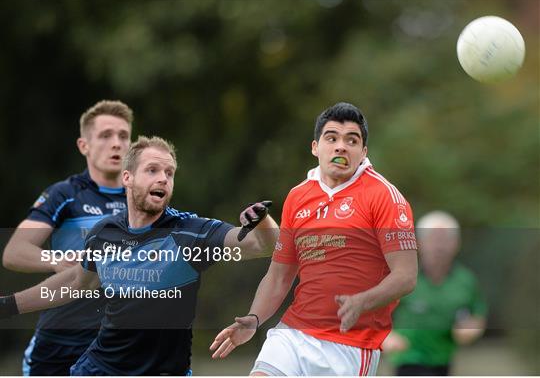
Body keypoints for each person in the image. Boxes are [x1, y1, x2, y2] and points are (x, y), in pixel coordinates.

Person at [0, 135, 279, 376]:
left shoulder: (191, 234)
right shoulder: (103, 233)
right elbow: (76, 283)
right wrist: (8, 305)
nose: (163, 178)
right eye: (152, 170)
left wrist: (262, 221)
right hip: (98, 369)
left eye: (169, 173)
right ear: (127, 178)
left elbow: (261, 245)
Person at [210, 102, 418, 376]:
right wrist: (253, 319)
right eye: (332, 138)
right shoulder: (298, 197)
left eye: (351, 140)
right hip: (293, 334)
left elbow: (406, 276)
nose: (341, 147)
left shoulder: (384, 196)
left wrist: (362, 301)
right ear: (315, 147)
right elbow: (279, 276)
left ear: (363, 152)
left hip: (350, 346)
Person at [2, 100, 133, 375]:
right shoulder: (65, 194)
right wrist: (56, 261)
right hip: (59, 342)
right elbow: (14, 251)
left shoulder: (142, 199)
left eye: (123, 136)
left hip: (118, 342)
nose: (116, 143)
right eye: (106, 135)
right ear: (84, 146)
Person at [382, 211, 487, 376]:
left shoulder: (466, 280)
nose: (440, 246)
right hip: (409, 360)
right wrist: (386, 336)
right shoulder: (401, 276)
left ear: (456, 243)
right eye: (434, 239)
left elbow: (477, 313)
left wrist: (471, 328)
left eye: (446, 239)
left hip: (443, 361)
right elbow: (374, 314)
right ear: (419, 242)